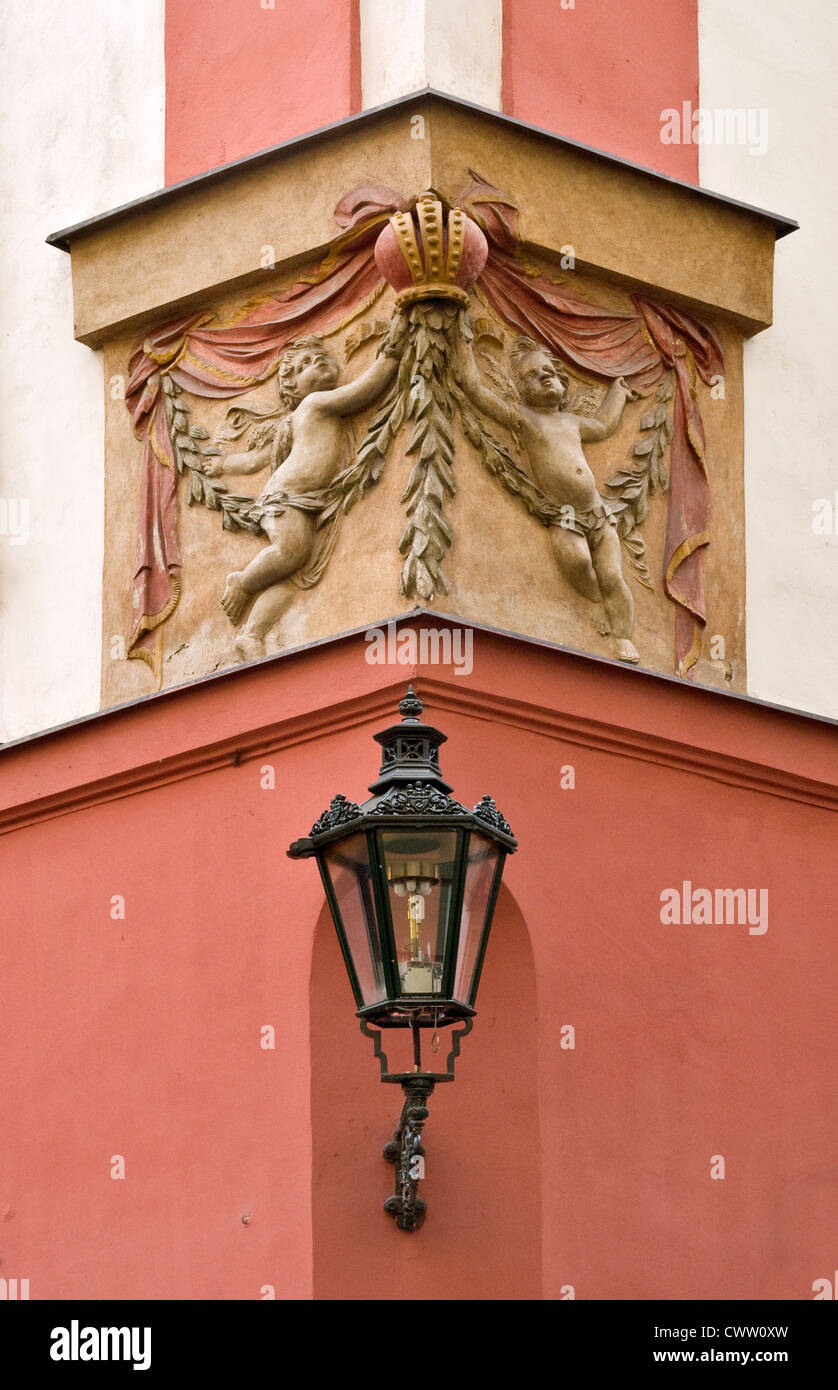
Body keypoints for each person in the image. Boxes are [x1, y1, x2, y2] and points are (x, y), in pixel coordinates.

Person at [204, 327, 403, 660]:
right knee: (291, 552)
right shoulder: (314, 405)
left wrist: (226, 464)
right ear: (292, 387)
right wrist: (391, 354)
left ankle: (252, 634)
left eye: (322, 357)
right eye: (307, 363)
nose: (319, 362)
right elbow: (364, 391)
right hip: (287, 498)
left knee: (294, 573)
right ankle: (244, 582)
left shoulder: (303, 416)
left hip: (307, 502)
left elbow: (259, 459)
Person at [457, 329, 641, 663]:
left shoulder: (571, 421)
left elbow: (603, 426)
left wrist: (618, 393)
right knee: (579, 564)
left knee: (614, 575)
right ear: (521, 389)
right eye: (534, 374)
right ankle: (596, 603)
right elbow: (476, 391)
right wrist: (464, 345)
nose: (546, 376)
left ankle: (623, 636)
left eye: (551, 372)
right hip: (564, 515)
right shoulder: (524, 418)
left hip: (598, 513)